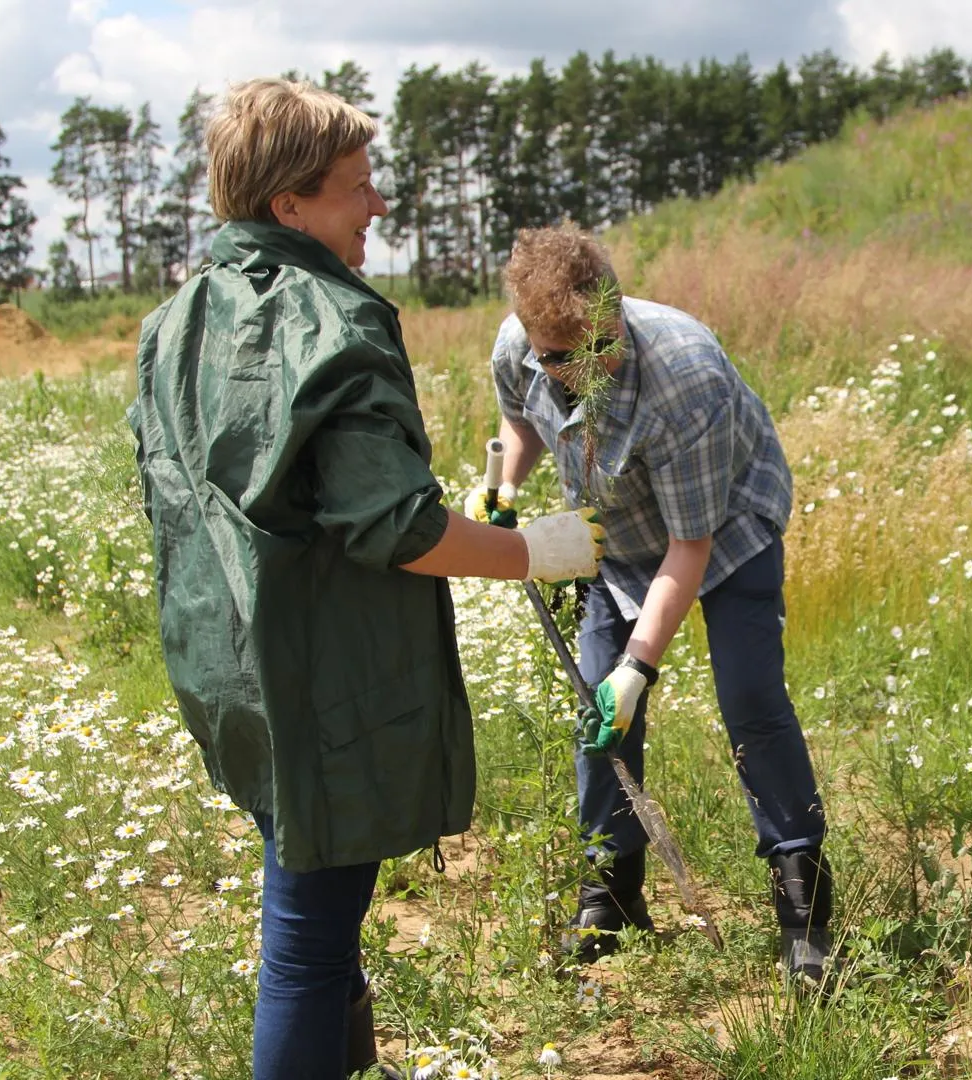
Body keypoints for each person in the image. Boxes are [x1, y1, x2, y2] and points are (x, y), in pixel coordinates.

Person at [126, 79, 604, 1079]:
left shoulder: (172, 322)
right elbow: (397, 530)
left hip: (225, 665)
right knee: (307, 935)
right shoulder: (330, 322)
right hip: (324, 678)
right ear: (287, 205)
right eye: (357, 187)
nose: (378, 205)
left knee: (306, 890)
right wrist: (535, 549)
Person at [475, 224, 832, 981]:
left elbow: (690, 546)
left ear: (616, 310)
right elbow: (522, 421)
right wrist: (504, 485)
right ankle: (610, 890)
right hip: (614, 540)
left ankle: (802, 901)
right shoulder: (519, 346)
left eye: (597, 347)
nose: (577, 371)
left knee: (750, 698)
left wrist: (641, 668)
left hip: (726, 524)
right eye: (556, 357)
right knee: (595, 716)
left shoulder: (684, 374)